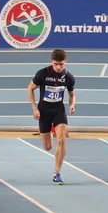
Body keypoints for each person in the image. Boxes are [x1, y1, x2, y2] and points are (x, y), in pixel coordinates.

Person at [27, 49, 76, 185]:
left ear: (65, 62)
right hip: (44, 111)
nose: (58, 67)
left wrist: (72, 105)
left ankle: (57, 173)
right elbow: (29, 88)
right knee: (48, 147)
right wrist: (34, 108)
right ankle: (52, 138)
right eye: (56, 64)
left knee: (62, 140)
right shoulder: (43, 73)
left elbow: (72, 94)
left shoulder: (68, 77)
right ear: (51, 62)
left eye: (61, 64)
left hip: (58, 111)